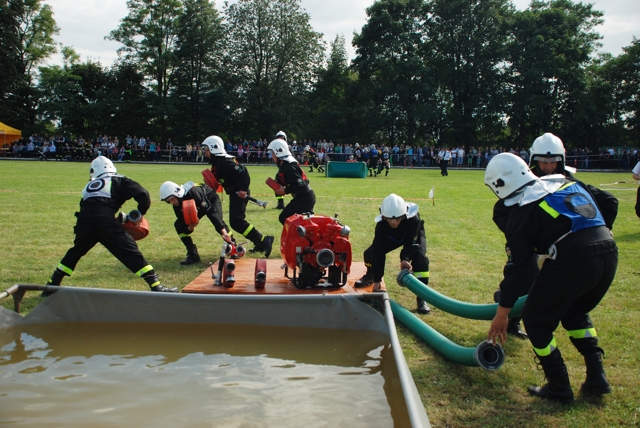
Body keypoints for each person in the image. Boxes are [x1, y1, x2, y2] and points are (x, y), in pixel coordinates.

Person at [485, 153, 617, 403]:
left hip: (574, 261)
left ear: (499, 184)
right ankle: (597, 377)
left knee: (535, 320)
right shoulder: (565, 181)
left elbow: (518, 269)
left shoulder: (523, 210)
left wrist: (502, 314)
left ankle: (558, 386)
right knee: (575, 311)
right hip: (609, 253)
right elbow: (608, 201)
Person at [45, 156, 177, 295]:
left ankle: (51, 285)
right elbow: (143, 193)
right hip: (105, 222)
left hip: (84, 221)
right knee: (129, 251)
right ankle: (156, 285)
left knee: (75, 252)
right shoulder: (119, 179)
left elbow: (89, 206)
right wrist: (140, 213)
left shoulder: (89, 186)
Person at [354, 194, 431, 314]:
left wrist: (405, 259)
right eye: (390, 219)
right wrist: (378, 279)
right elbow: (378, 252)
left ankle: (422, 298)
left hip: (412, 236)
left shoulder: (413, 220)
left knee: (421, 260)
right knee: (370, 254)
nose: (394, 223)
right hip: (392, 237)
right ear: (384, 217)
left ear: (403, 215)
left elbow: (412, 243)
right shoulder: (381, 226)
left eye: (397, 219)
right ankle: (371, 276)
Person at [202, 135, 274, 257]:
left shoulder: (224, 162)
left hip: (239, 193)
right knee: (237, 221)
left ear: (214, 148)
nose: (205, 152)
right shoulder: (218, 162)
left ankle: (263, 240)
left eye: (207, 149)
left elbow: (243, 171)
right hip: (235, 192)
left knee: (236, 222)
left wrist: (243, 189)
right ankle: (260, 243)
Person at [159, 180, 233, 265]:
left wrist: (224, 233)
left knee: (218, 222)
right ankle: (193, 255)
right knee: (178, 225)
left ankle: (233, 245)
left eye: (172, 199)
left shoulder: (192, 193)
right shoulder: (177, 206)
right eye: (168, 201)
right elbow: (185, 228)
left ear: (177, 194)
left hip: (210, 199)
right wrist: (192, 226)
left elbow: (211, 212)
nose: (172, 203)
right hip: (197, 205)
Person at [267, 138, 316, 225]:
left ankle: (298, 237)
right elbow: (282, 179)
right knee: (304, 223)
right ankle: (303, 238)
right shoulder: (284, 165)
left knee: (284, 217)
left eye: (273, 153)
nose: (272, 156)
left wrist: (285, 191)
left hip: (304, 198)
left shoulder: (289, 166)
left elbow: (301, 185)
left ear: (279, 152)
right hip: (303, 197)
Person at [273, 131, 288, 210]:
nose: (280, 140)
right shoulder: (276, 149)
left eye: (282, 138)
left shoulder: (288, 148)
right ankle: (280, 203)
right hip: (281, 171)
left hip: (288, 172)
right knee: (276, 185)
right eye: (279, 138)